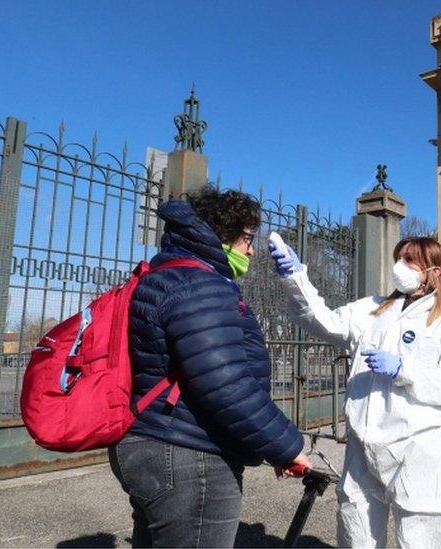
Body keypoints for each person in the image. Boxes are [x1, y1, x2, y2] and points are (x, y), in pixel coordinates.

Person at [110, 188, 310, 548]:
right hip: (190, 454)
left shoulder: (165, 273)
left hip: (151, 440)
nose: (251, 249)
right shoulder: (201, 285)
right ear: (221, 233)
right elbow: (226, 383)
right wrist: (286, 446)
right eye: (247, 237)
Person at [269, 236, 441, 548]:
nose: (399, 267)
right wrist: (296, 278)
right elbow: (321, 320)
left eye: (409, 261)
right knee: (357, 532)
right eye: (399, 258)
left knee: (419, 535)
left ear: (432, 269)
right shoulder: (373, 310)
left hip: (413, 447)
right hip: (361, 448)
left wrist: (404, 370)